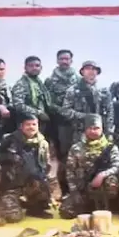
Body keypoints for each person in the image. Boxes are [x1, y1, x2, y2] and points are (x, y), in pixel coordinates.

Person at [58, 114, 119, 219]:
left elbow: (118, 165)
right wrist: (74, 192)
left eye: (96, 128)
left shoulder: (110, 147)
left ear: (102, 129)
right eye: (90, 128)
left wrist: (102, 175)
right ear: (85, 129)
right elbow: (70, 172)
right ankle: (90, 206)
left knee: (111, 181)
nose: (93, 131)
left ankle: (108, 205)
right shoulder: (76, 148)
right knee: (65, 211)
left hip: (103, 186)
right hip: (83, 187)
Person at [0, 113, 57, 219]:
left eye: (34, 124)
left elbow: (46, 164)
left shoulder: (43, 143)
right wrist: (10, 158)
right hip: (12, 183)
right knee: (13, 217)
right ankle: (14, 202)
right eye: (28, 124)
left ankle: (34, 208)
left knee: (45, 183)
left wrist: (44, 181)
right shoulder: (10, 140)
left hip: (32, 181)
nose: (31, 127)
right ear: (21, 126)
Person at [61, 61, 114, 154]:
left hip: (101, 133)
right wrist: (85, 116)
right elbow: (65, 111)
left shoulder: (104, 90)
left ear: (97, 72)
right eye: (88, 68)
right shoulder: (73, 90)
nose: (91, 71)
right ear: (82, 71)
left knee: (102, 158)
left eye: (94, 69)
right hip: (81, 133)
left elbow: (110, 112)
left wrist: (109, 132)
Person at [44, 49, 80, 187]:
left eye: (67, 59)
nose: (64, 61)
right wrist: (63, 111)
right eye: (61, 59)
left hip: (75, 123)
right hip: (58, 123)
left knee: (76, 155)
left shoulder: (78, 80)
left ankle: (76, 186)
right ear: (57, 60)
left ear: (71, 60)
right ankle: (63, 187)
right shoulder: (50, 81)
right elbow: (48, 102)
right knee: (62, 155)